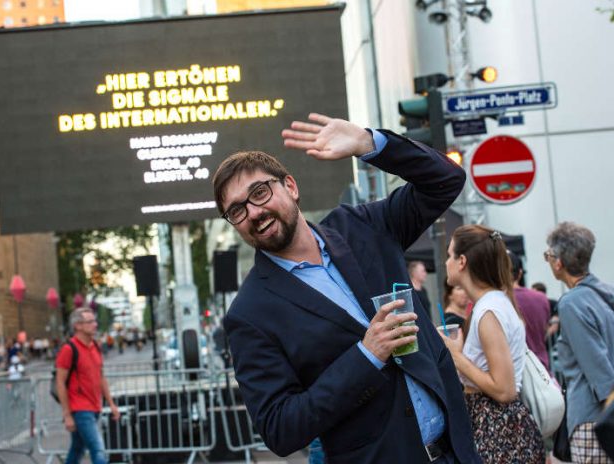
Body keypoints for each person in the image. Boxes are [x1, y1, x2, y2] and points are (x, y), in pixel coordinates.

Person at [213, 113, 480, 463]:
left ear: (290, 187)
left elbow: (446, 179)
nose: (254, 212)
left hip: (455, 452)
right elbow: (280, 428)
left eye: (260, 193)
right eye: (237, 210)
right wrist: (366, 355)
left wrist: (369, 144)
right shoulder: (250, 314)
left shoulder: (362, 227)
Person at [439, 225, 545, 463]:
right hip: (501, 425)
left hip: (497, 427)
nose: (446, 262)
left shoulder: (488, 310)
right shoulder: (494, 303)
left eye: (449, 255)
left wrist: (457, 357)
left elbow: (504, 389)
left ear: (462, 261)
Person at [544, 222, 614, 463]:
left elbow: (597, 367)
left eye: (548, 255)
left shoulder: (571, 303)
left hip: (594, 418)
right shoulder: (606, 292)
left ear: (558, 262)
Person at [56, 307, 120, 464]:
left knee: (77, 449)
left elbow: (101, 377)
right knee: (98, 449)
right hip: (80, 410)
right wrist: (67, 414)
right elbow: (60, 382)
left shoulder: (95, 346)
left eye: (95, 320)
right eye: (90, 321)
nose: (95, 324)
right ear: (78, 326)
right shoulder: (68, 349)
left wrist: (111, 404)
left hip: (94, 407)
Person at [508, 251, 551, 370]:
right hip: (542, 368)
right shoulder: (541, 298)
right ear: (520, 273)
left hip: (516, 372)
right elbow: (545, 330)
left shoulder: (497, 302)